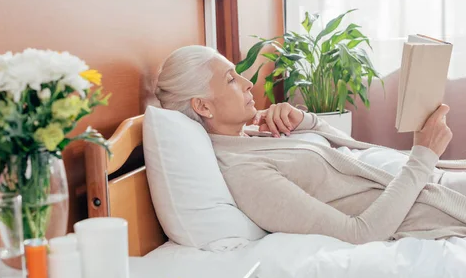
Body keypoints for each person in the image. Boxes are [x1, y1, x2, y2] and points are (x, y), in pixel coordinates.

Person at [154, 45, 466, 244]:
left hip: (431, 180)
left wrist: (305, 122)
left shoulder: (255, 134)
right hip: (434, 205)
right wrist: (422, 156)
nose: (248, 83)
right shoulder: (244, 172)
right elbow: (358, 234)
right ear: (203, 106)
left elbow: (347, 152)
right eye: (231, 79)